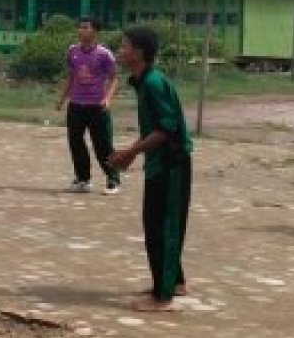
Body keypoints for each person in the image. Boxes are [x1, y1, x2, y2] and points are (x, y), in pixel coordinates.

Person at [107, 27, 194, 313]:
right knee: (159, 225)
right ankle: (175, 282)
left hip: (171, 165)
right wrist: (132, 153)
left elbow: (166, 130)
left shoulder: (154, 83)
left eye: (124, 46)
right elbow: (153, 129)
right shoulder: (144, 82)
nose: (120, 51)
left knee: (162, 228)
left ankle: (163, 296)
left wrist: (132, 152)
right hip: (160, 163)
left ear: (139, 53)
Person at [54, 17, 121, 194]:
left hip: (97, 107)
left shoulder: (104, 54)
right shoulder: (72, 51)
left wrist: (108, 98)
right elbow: (71, 76)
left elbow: (114, 78)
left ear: (94, 31)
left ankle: (113, 179)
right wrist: (62, 99)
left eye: (85, 27)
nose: (80, 30)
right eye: (79, 27)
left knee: (103, 144)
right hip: (76, 105)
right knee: (75, 142)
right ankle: (83, 179)